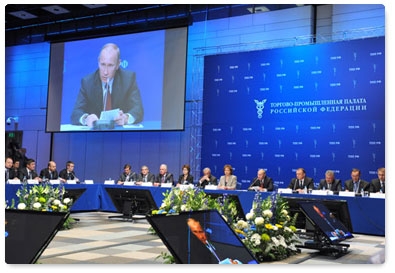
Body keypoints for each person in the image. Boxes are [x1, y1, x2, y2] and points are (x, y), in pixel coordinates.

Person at [70, 43, 144, 127]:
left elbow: (138, 110)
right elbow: (75, 113)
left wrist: (126, 118)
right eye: (102, 64)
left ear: (118, 64)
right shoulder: (87, 82)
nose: (105, 72)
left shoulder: (128, 79)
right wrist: (86, 119)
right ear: (98, 62)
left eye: (110, 65)